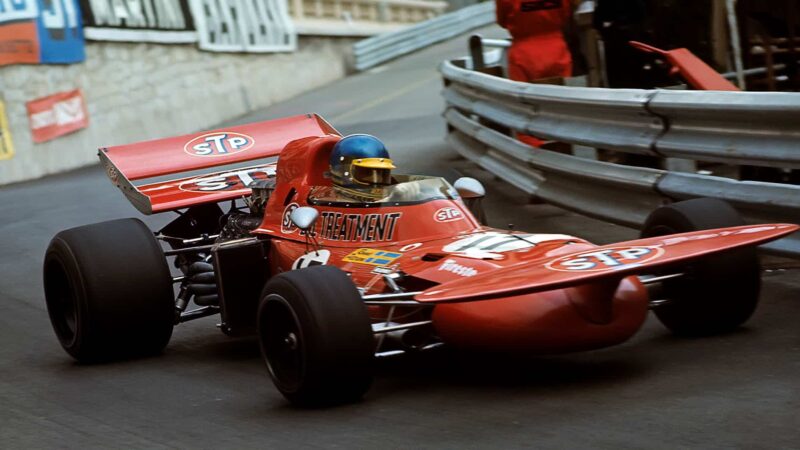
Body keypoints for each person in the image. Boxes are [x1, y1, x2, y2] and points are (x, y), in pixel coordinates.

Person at [495, 0, 575, 147]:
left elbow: (502, 20)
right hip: (557, 49)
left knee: (525, 108)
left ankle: (535, 150)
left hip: (524, 53)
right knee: (564, 104)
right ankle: (568, 144)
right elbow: (566, 13)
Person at [329, 134, 396, 201]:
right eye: (367, 173)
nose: (378, 179)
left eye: (383, 174)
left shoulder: (392, 201)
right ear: (343, 172)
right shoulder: (325, 204)